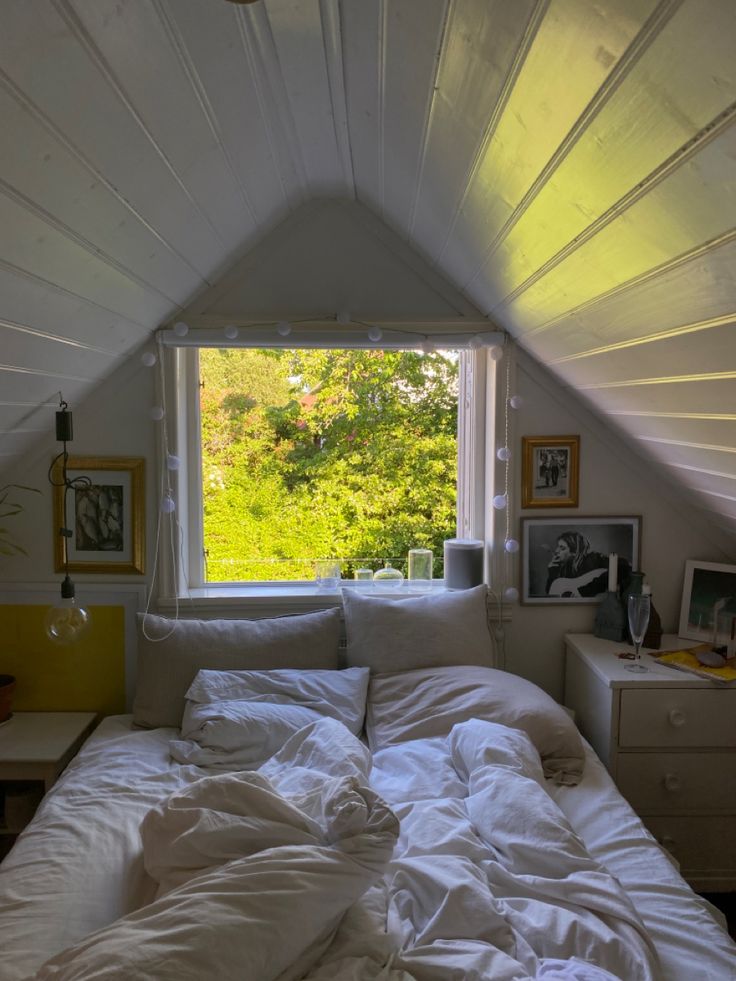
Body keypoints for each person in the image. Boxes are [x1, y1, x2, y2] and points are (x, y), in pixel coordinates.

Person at [545, 531, 628, 597]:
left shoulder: (593, 559)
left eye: (562, 548)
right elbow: (552, 596)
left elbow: (625, 567)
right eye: (557, 547)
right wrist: (552, 572)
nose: (556, 551)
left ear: (575, 552)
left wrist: (585, 590)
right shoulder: (563, 568)